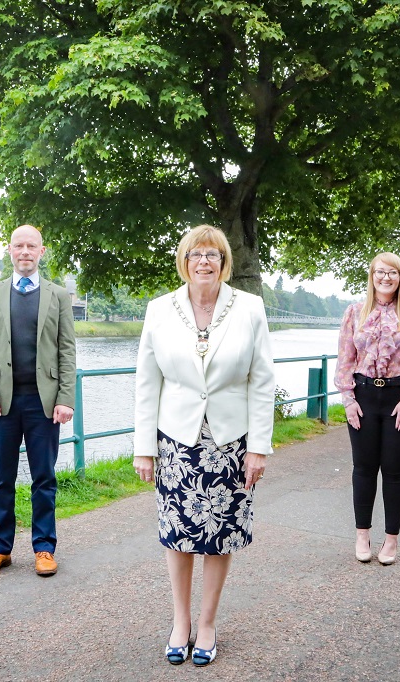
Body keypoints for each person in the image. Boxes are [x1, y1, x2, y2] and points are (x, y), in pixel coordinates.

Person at [133, 225, 275, 667]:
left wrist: (259, 447)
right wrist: (144, 447)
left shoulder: (249, 307)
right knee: (178, 535)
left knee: (220, 536)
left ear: (224, 262)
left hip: (231, 442)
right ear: (184, 260)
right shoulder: (160, 309)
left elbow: (262, 381)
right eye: (196, 253)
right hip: (176, 440)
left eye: (213, 254)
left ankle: (208, 623)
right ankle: (180, 622)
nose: (205, 261)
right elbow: (146, 381)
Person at [0, 224, 76, 578]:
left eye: (32, 246)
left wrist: (66, 399)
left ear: (41, 252)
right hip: (1, 402)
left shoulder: (59, 296)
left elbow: (66, 352)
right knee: (1, 477)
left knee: (44, 478)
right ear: (10, 250)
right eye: (19, 246)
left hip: (44, 404)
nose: (26, 252)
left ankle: (44, 547)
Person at [334, 253, 400, 565]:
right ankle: (362, 534)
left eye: (392, 273)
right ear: (371, 276)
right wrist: (348, 399)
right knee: (362, 468)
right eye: (379, 272)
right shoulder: (354, 313)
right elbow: (345, 359)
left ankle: (391, 540)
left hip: (398, 399)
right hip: (362, 397)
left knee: (394, 470)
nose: (385, 278)